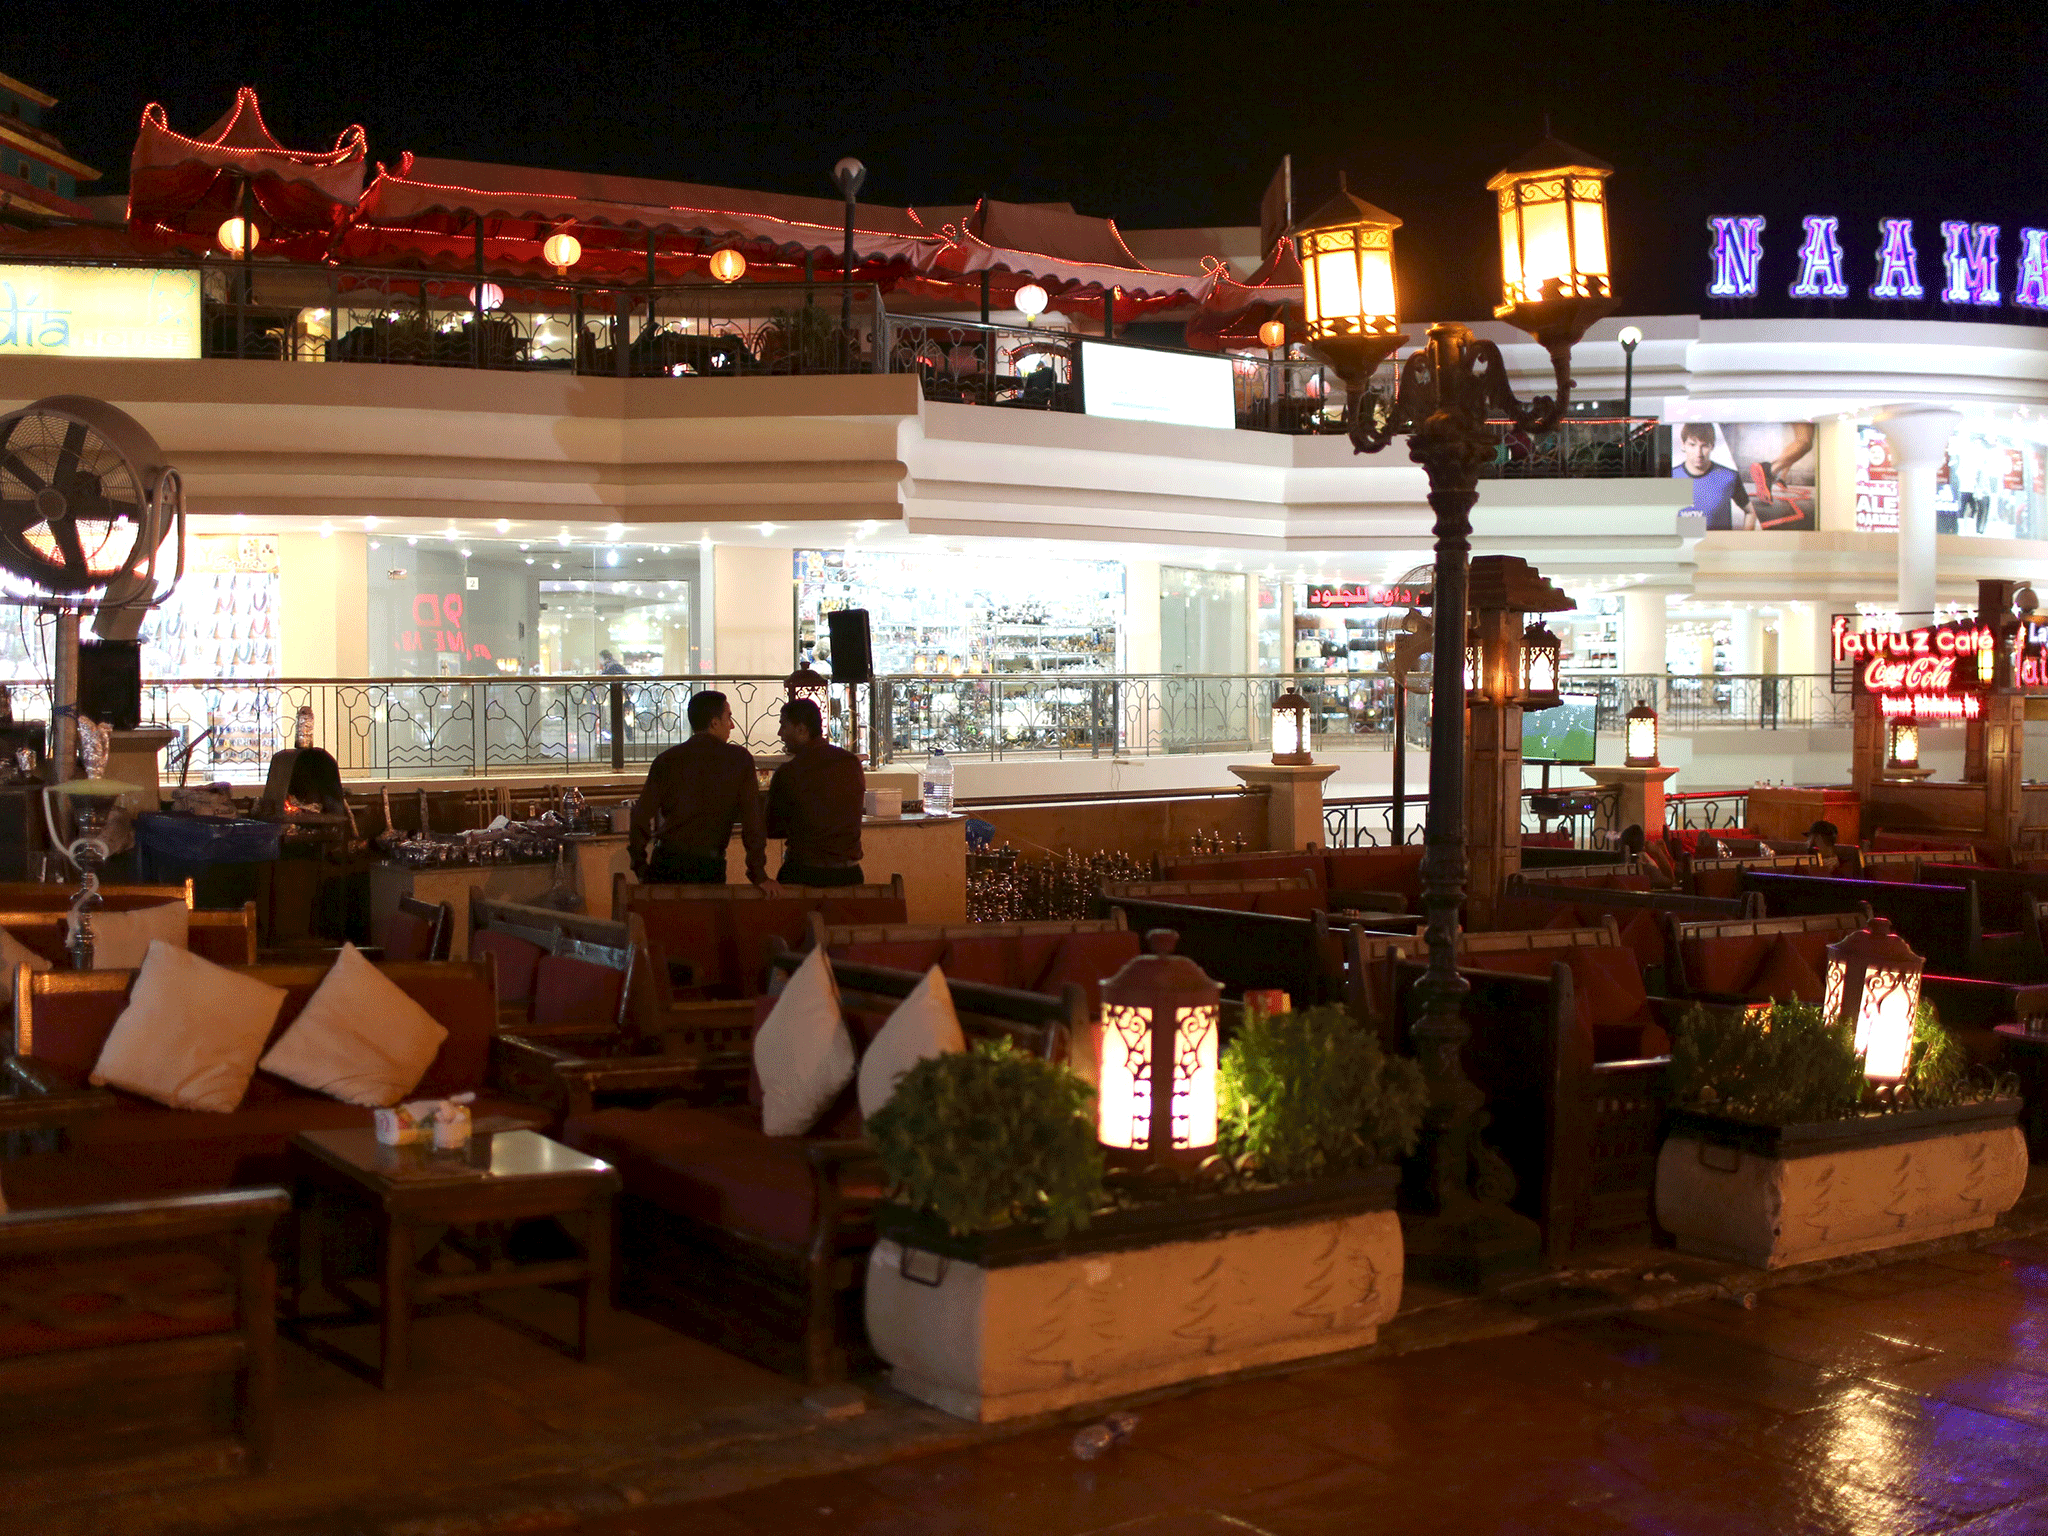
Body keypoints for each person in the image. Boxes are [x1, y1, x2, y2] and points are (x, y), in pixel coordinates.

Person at [628, 690, 772, 888]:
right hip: (708, 865)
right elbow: (752, 821)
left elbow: (640, 816)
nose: (731, 725)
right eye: (728, 718)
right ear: (714, 722)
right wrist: (758, 873)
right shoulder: (738, 760)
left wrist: (640, 865)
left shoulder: (667, 760)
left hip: (665, 862)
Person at [767, 698, 866, 887]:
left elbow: (772, 828)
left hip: (803, 874)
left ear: (801, 729)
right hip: (849, 875)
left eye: (783, 726)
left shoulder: (790, 772)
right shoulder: (851, 763)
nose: (780, 734)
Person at [1673, 422, 1750, 531]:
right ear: (1683, 444)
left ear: (1712, 446)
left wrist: (1745, 542)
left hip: (1719, 547)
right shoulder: (1669, 477)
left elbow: (1751, 511)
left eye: (1704, 446)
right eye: (1692, 445)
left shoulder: (1729, 477)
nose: (1698, 453)